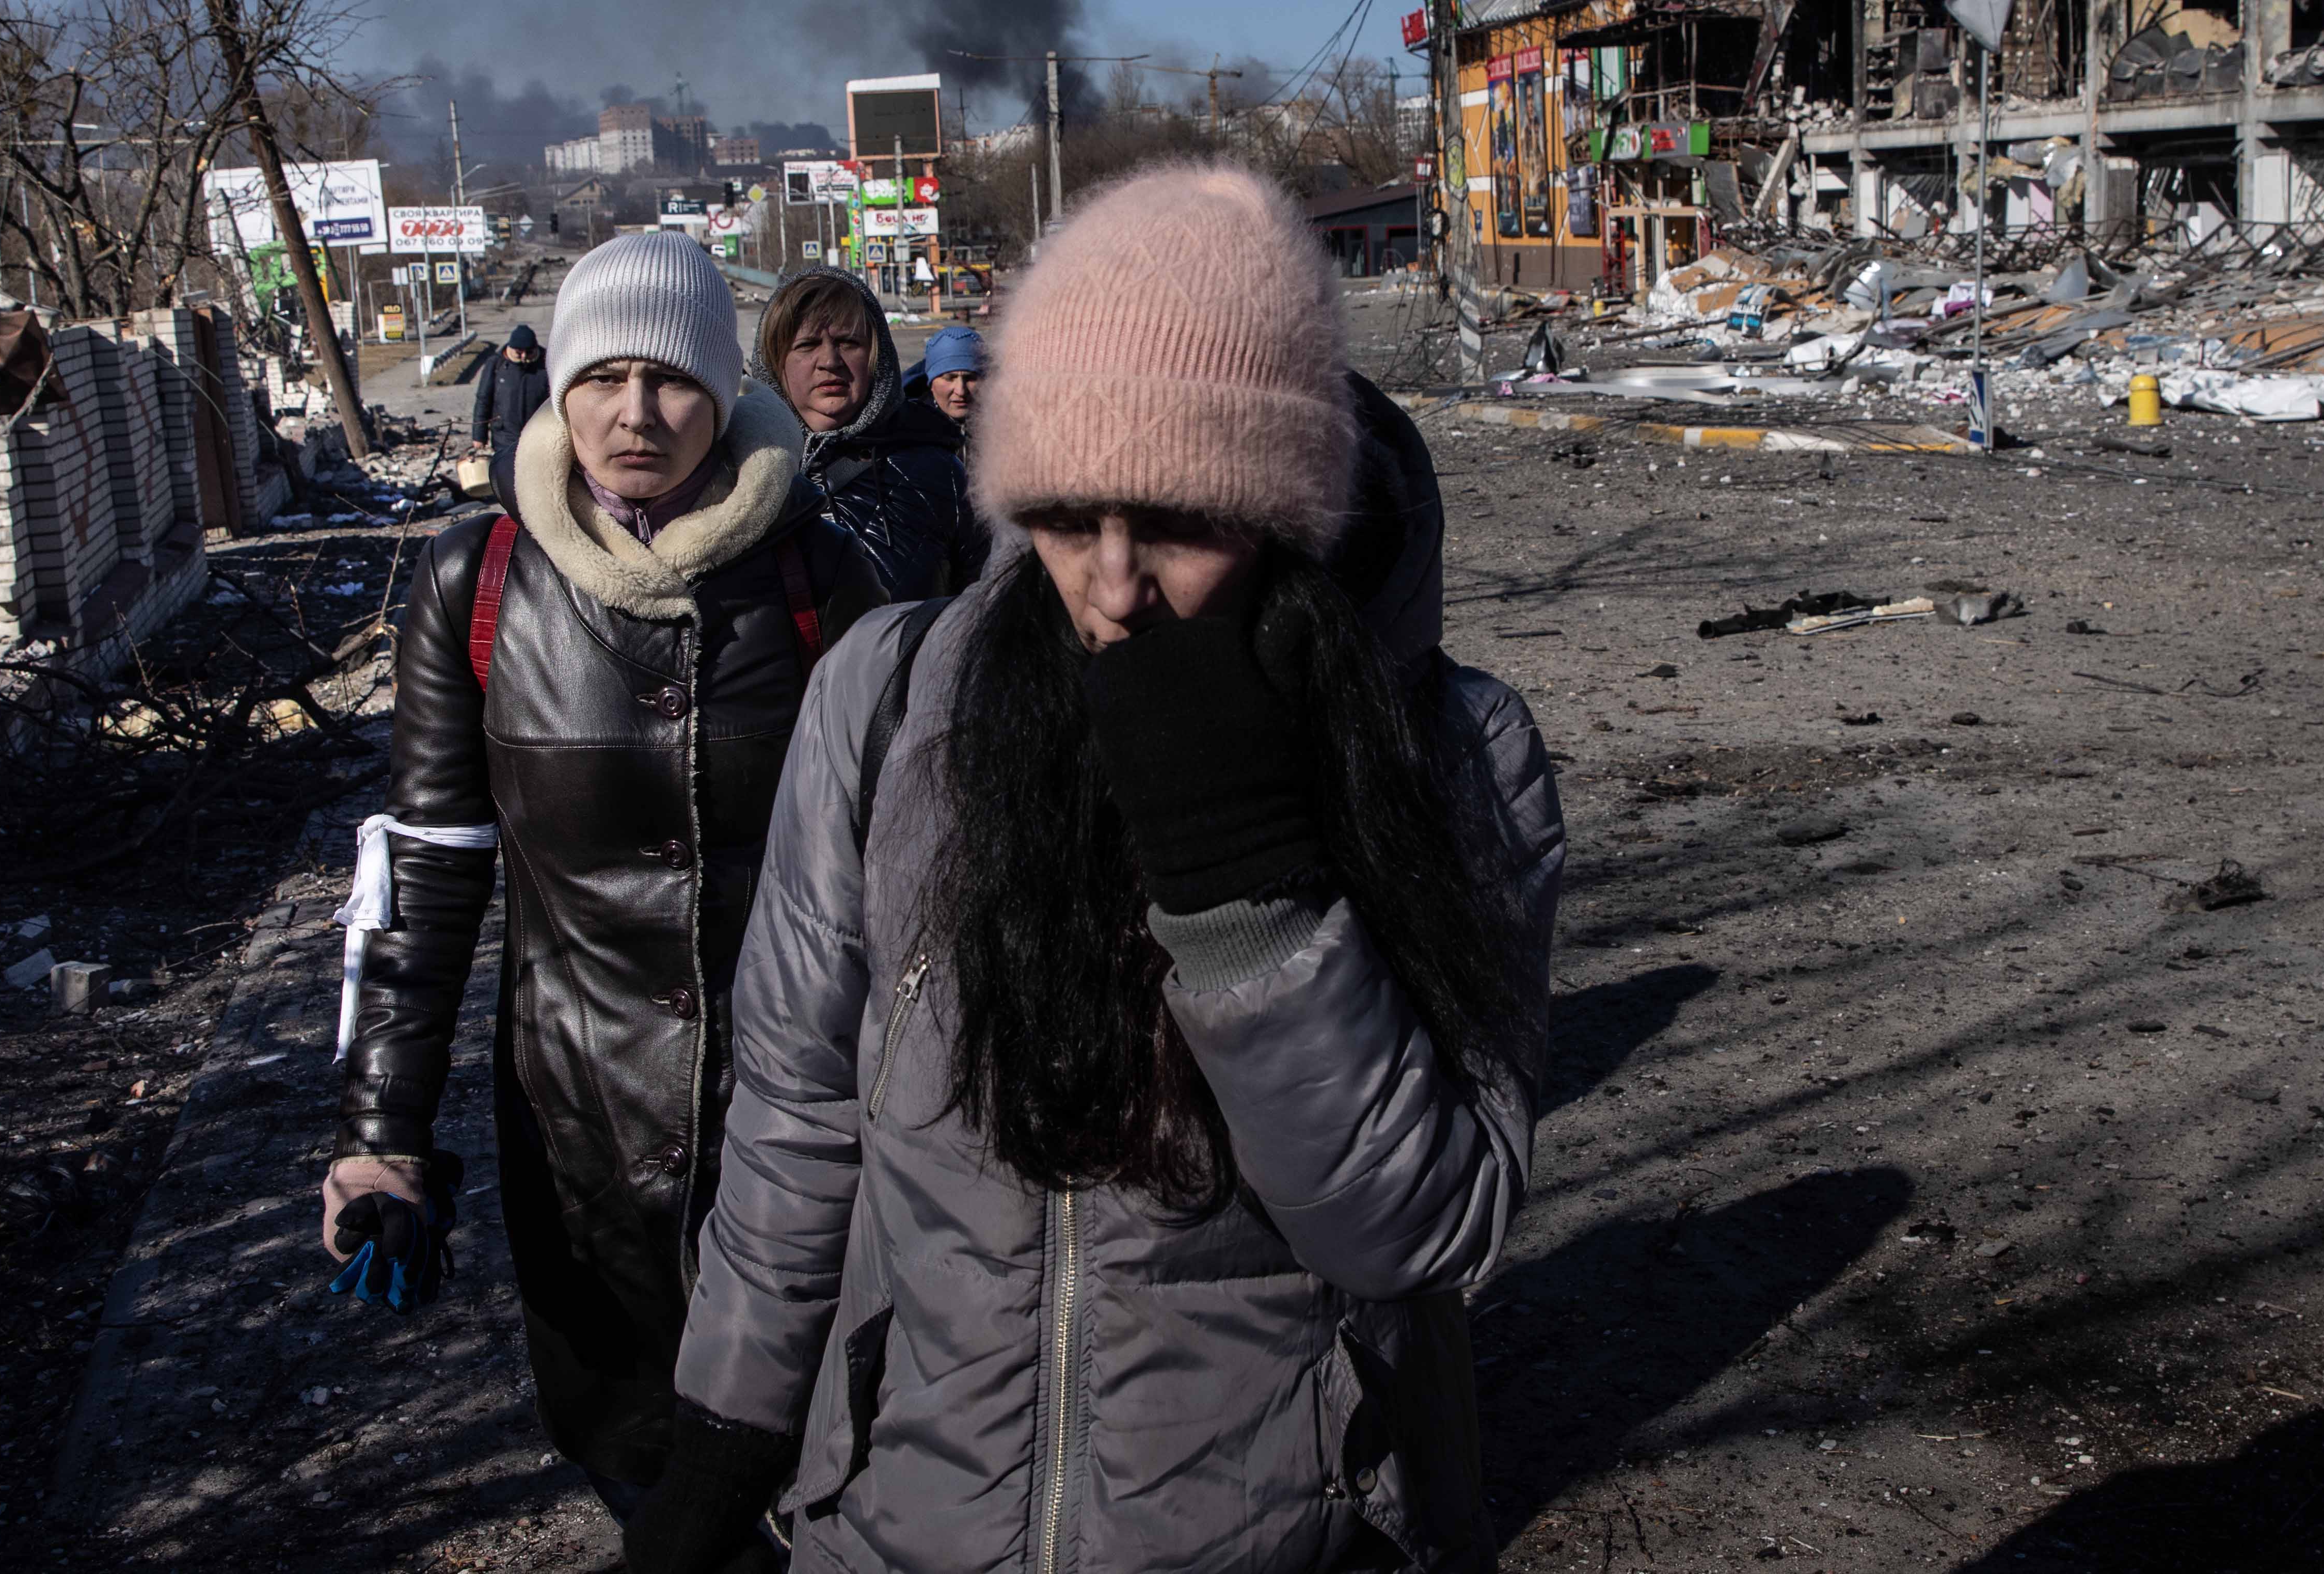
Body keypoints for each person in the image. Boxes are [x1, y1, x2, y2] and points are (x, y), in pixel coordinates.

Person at [626, 164, 1566, 1573]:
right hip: (907, 1525)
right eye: (1066, 514)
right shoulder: (892, 701)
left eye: (1180, 519)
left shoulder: (1444, 749)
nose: (1110, 582)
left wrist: (1244, 901)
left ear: (1287, 511)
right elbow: (798, 1118)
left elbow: (1418, 1227)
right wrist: (719, 1444)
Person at [325, 231, 883, 1534]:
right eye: (602, 377)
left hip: (800, 1129)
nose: (635, 414)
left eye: (674, 379)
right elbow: (428, 868)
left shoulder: (816, 577)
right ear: (560, 386)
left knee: (822, 1465)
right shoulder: (479, 581)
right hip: (580, 1143)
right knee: (640, 1462)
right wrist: (379, 1139)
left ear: (724, 392)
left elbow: (905, 859)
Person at [755, 266, 985, 603]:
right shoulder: (735, 475)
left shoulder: (942, 475)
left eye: (849, 342)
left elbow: (984, 613)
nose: (830, 361)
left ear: (877, 357)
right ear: (775, 362)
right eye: (806, 345)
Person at [469, 320, 548, 470]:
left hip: (539, 437)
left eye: (529, 352)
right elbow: (483, 400)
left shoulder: (546, 363)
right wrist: (479, 436)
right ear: (511, 349)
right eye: (519, 353)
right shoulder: (496, 364)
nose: (524, 357)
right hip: (504, 438)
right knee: (508, 481)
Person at [910, 325, 981, 428]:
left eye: (970, 378)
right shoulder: (910, 431)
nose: (961, 391)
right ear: (931, 384)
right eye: (950, 378)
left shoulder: (1004, 423)